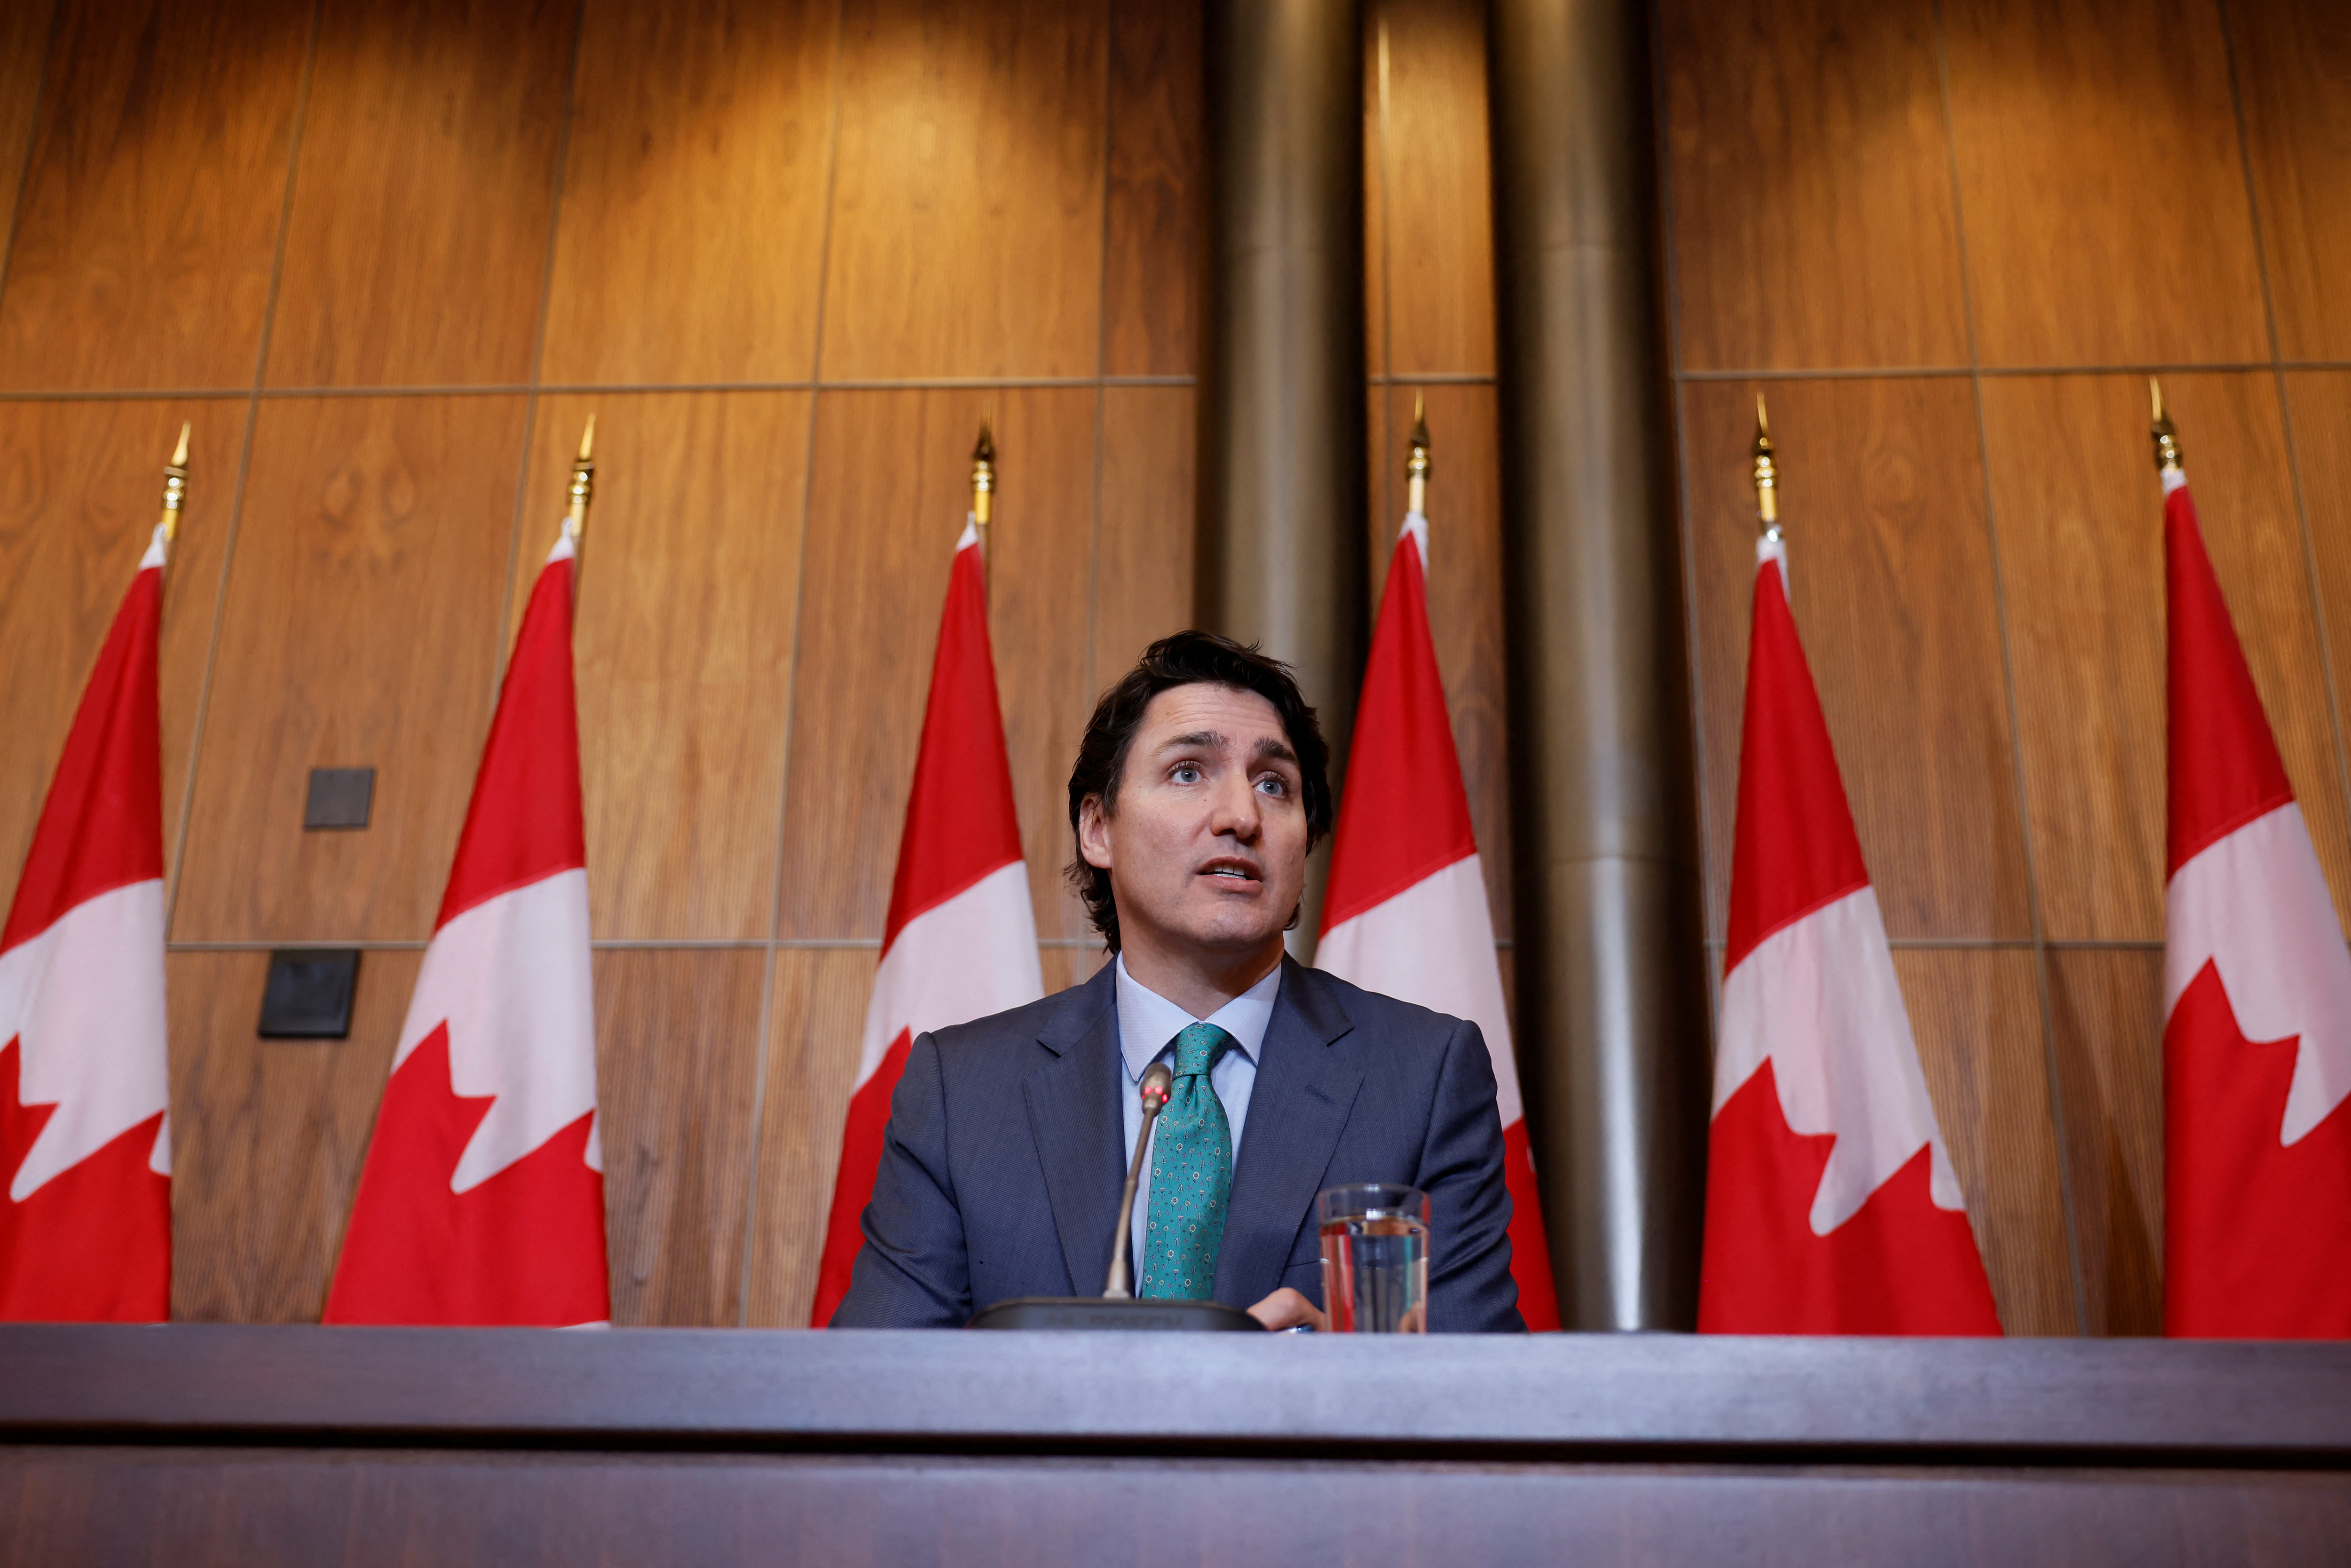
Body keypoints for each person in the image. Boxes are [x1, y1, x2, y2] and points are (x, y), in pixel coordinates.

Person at [830, 631, 1523, 1332]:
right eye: (1189, 772)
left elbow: (1485, 1399)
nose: (1240, 816)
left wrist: (1328, 1383)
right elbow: (878, 1393)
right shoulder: (964, 1090)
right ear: (1098, 828)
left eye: (1273, 785)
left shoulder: (1423, 1076)